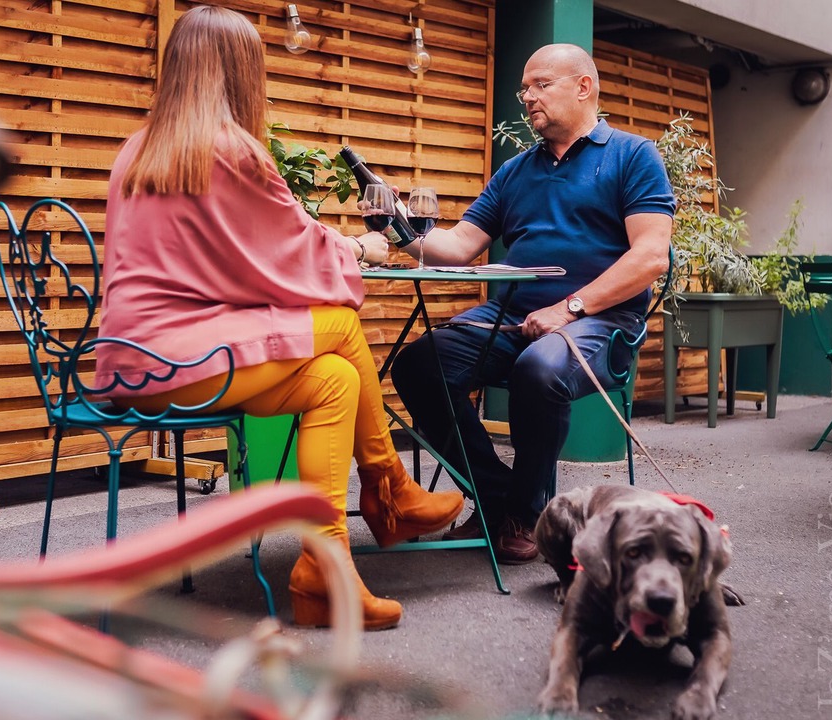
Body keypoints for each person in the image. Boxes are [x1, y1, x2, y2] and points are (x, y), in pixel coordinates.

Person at [93, 5, 462, 631]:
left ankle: (325, 572)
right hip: (188, 361)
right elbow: (293, 248)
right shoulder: (232, 150)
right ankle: (391, 490)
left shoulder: (139, 149)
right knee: (342, 328)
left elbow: (233, 261)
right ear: (242, 72)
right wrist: (359, 249)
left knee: (337, 381)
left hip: (132, 361)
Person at [390, 43, 674, 565]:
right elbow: (456, 248)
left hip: (600, 323)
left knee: (538, 369)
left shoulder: (634, 157)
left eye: (540, 84)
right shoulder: (516, 172)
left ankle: (522, 510)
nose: (528, 97)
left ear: (583, 86)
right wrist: (396, 227)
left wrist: (569, 308)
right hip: (514, 317)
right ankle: (502, 499)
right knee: (418, 364)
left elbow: (651, 256)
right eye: (525, 88)